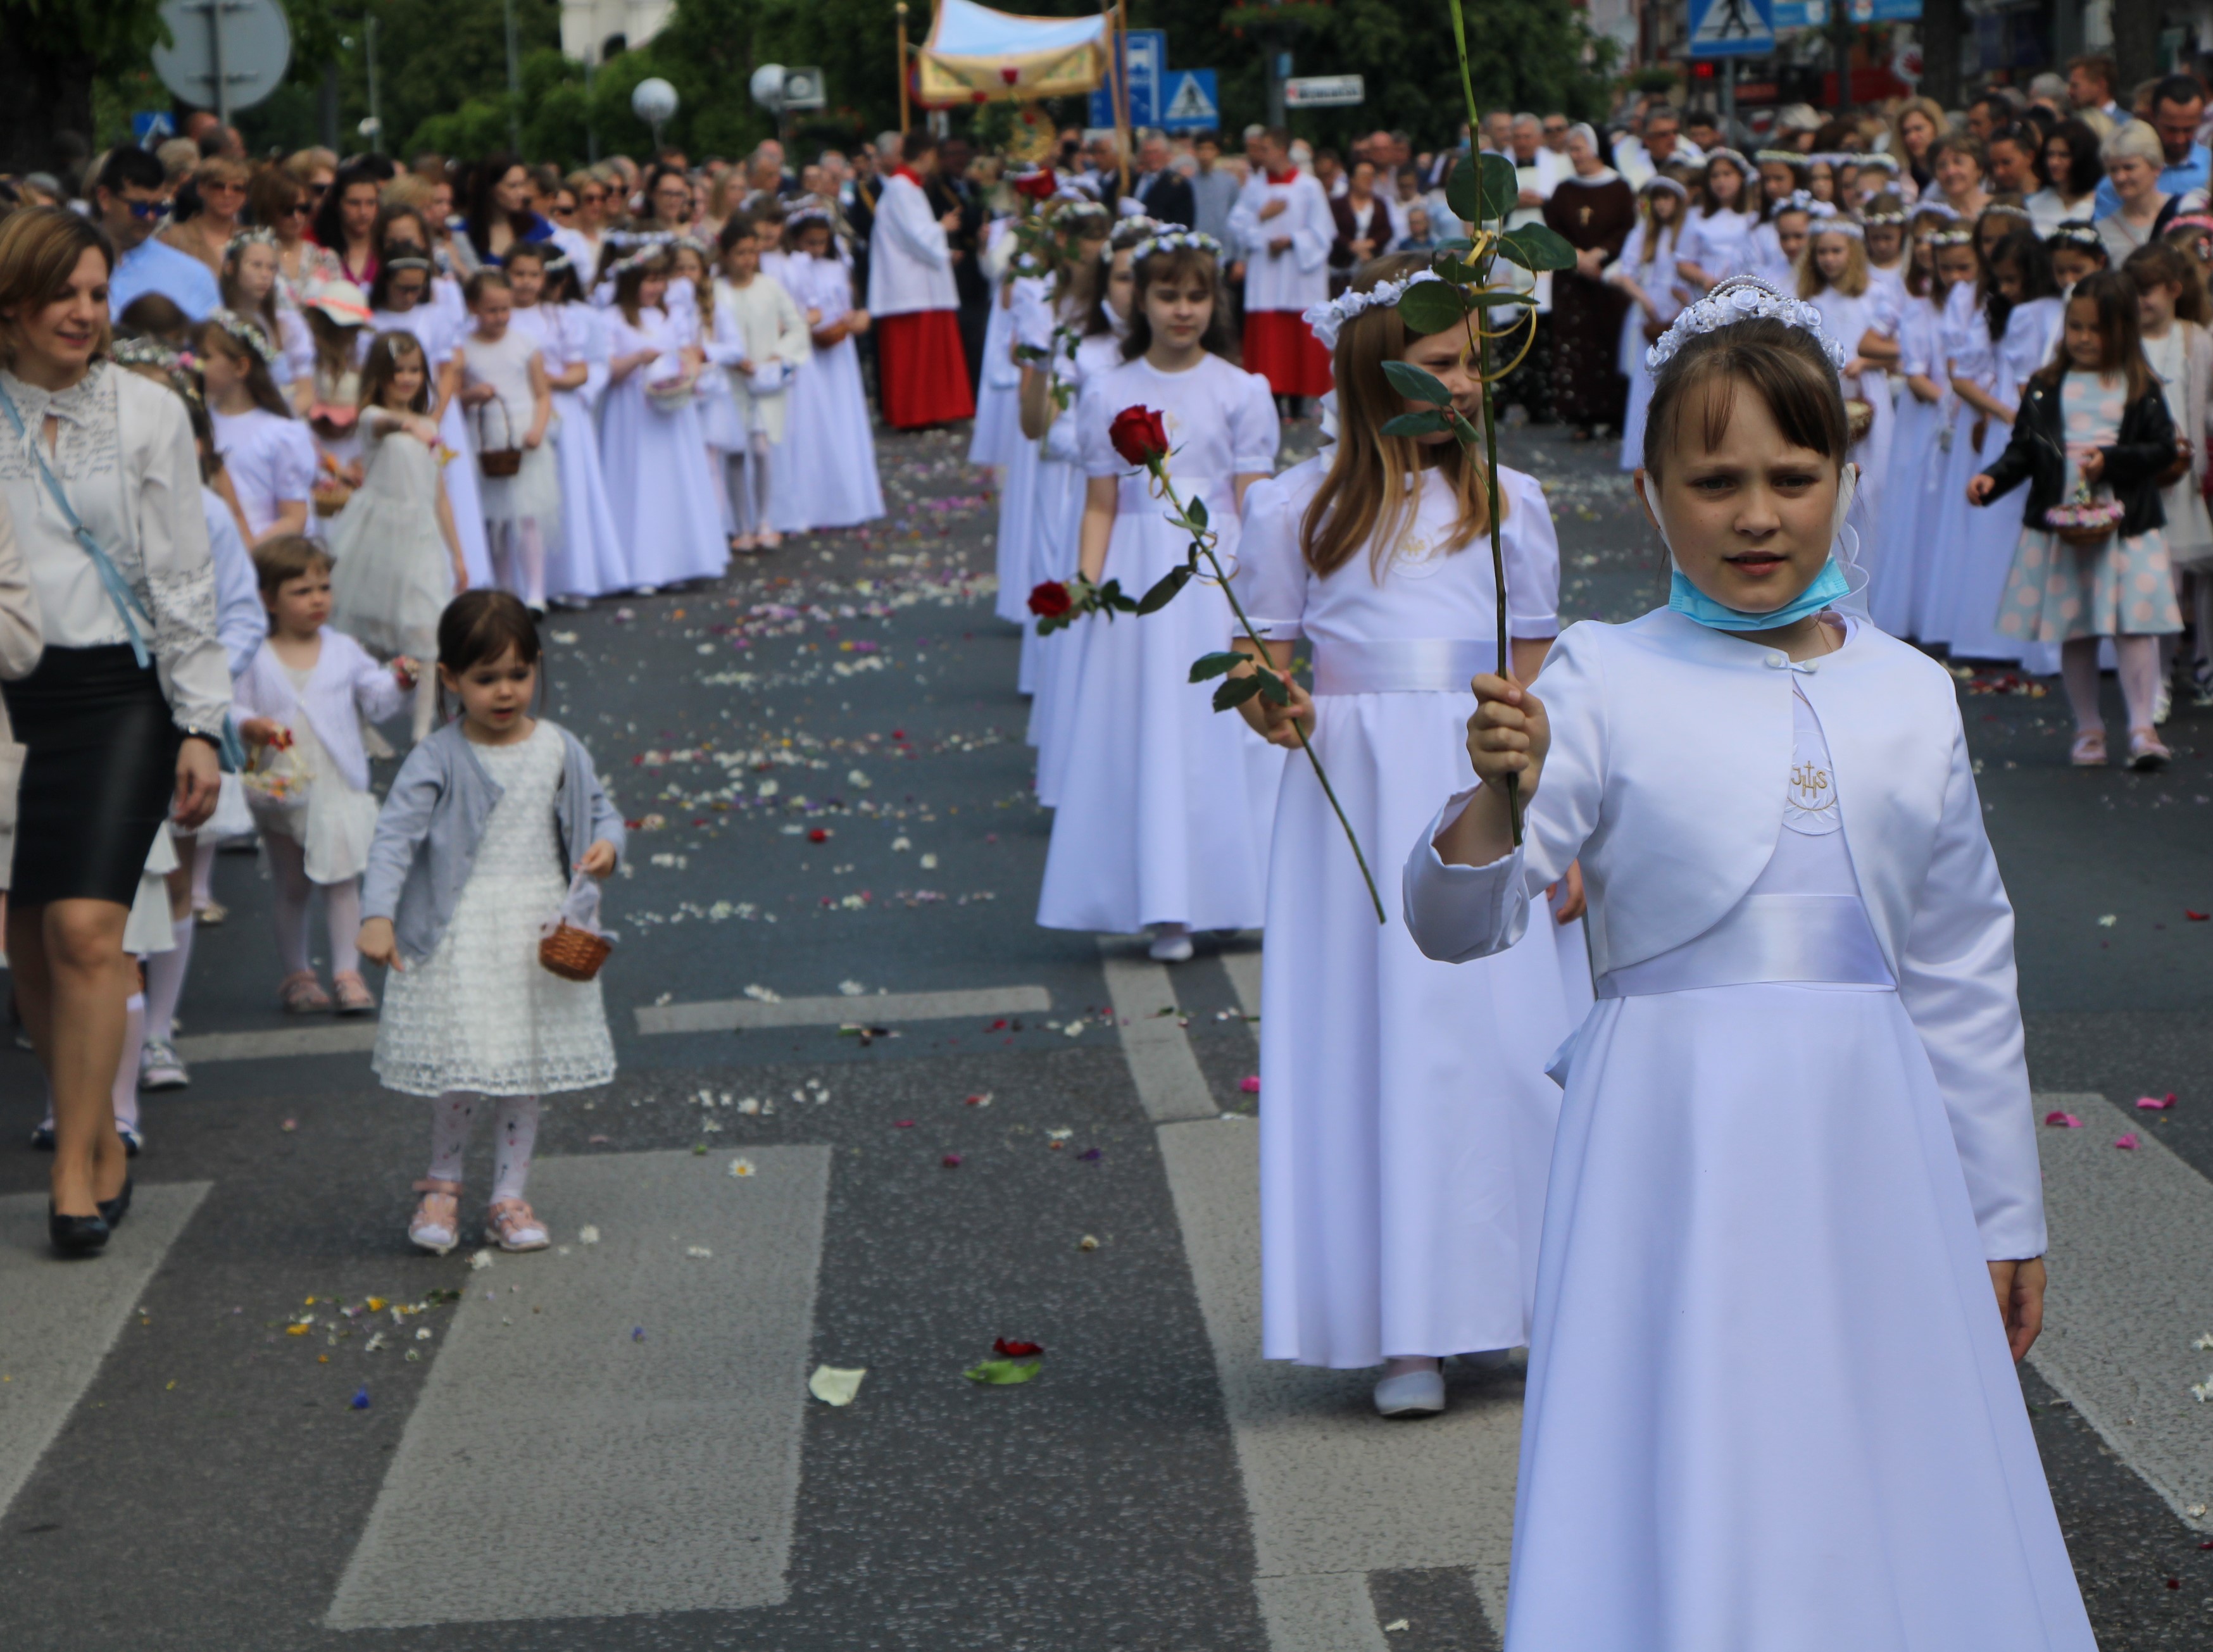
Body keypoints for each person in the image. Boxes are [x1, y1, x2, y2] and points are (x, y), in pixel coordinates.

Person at [1406, 275, 2095, 1652]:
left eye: (1792, 475)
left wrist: (1999, 1211)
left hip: (1870, 1139)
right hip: (1676, 1133)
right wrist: (1494, 796)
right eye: (1711, 480)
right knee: (1699, 1424)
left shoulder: (1907, 690)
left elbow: (1960, 962)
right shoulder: (1600, 677)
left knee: (1873, 1428)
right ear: (1652, 489)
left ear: (1846, 473)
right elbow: (1457, 919)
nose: (1756, 514)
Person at [1236, 256, 1586, 1415]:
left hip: (1476, 780)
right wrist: (1276, 707)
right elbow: (1262, 665)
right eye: (1441, 364)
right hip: (1360, 793)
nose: (1468, 383)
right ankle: (1407, 1328)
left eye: (1475, 361)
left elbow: (1539, 679)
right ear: (1374, 373)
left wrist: (1560, 818)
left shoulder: (1510, 504)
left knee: (1501, 1041)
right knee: (1382, 1044)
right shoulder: (1295, 509)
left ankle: (1522, 1294)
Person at [0, 206, 229, 1253]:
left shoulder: (147, 414)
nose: (87, 312)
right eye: (66, 294)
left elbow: (186, 577)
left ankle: (78, 1160)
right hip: (8, 705)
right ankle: (92, 1127)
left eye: (98, 293)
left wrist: (201, 724)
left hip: (121, 696)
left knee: (86, 929)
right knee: (30, 947)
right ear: (11, 307)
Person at [1033, 229, 1282, 959]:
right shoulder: (1108, 389)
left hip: (1219, 571)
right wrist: (1088, 583)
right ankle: (1163, 903)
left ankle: (1235, 888)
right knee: (1149, 731)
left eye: (1197, 296)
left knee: (1227, 730)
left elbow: (1256, 502)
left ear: (1215, 301)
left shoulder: (1242, 390)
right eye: (1168, 295)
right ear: (1139, 300)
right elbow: (1102, 503)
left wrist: (1264, 591)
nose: (1183, 311)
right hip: (1141, 584)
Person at [357, 590, 623, 1256]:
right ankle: (441, 1187)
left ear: (536, 668)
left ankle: (509, 1197)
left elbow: (603, 810)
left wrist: (609, 846)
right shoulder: (439, 756)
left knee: (520, 1071)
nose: (505, 692)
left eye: (518, 674)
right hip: (464, 932)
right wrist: (378, 914)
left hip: (536, 931)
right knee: (462, 1067)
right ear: (450, 679)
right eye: (485, 679)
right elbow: (395, 837)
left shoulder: (561, 749)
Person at [1973, 270, 2180, 768]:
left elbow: (2162, 449)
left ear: (2122, 330)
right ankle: (2089, 729)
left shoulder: (2140, 385)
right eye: (2076, 327)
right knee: (2077, 627)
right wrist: (1993, 480)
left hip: (2126, 525)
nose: (2084, 339)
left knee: (2136, 626)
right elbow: (2024, 449)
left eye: (2096, 329)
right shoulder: (2047, 386)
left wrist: (2112, 460)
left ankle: (2142, 728)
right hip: (2064, 524)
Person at [234, 535, 411, 1013]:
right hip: (281, 787)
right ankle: (297, 973)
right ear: (268, 599)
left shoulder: (344, 649)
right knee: (293, 886)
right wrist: (248, 724)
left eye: (324, 588)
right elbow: (231, 707)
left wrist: (398, 681)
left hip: (336, 784)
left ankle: (346, 972)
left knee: (341, 880)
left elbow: (375, 698)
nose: (317, 600)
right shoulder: (253, 654)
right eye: (301, 591)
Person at [328, 331, 467, 742]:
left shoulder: (429, 427)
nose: (407, 379)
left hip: (421, 537)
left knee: (427, 637)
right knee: (367, 636)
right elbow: (379, 421)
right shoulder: (374, 420)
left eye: (414, 371)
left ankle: (423, 732)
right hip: (378, 537)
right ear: (381, 376)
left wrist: (458, 556)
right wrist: (408, 423)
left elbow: (439, 495)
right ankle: (361, 721)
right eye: (397, 372)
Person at [1943, 229, 2067, 665]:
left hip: (2022, 424)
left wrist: (2017, 419)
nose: (2007, 290)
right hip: (2036, 422)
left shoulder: (2031, 314)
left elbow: (2026, 383)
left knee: (2010, 528)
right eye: (2002, 281)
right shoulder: (2050, 310)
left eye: (2014, 280)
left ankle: (2000, 634)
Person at [592, 240, 726, 591]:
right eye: (647, 280)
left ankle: (676, 561)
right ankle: (639, 568)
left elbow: (687, 352)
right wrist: (637, 359)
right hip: (631, 412)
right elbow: (606, 371)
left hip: (671, 409)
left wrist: (690, 372)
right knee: (638, 482)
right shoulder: (612, 319)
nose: (654, 288)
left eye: (658, 280)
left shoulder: (671, 315)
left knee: (672, 480)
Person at [503, 246, 624, 604]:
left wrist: (544, 380)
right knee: (525, 498)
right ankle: (526, 584)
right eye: (518, 274)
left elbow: (580, 370)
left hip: (562, 412)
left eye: (533, 275)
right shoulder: (499, 317)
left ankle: (570, 579)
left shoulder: (559, 318)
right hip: (517, 412)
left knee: (566, 492)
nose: (525, 283)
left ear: (544, 279)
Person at [2123, 242, 2213, 700]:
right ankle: (2154, 680)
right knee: (2160, 580)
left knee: (2199, 572)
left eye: (2147, 290)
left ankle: (2204, 664)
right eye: (2132, 291)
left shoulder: (2197, 340)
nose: (2141, 300)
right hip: (2145, 477)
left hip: (2189, 478)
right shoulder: (2124, 343)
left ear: (2174, 290)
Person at [1870, 208, 1965, 637]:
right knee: (1924, 510)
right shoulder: (1920, 310)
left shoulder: (1980, 308)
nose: (1954, 276)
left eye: (1962, 266)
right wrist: (1951, 403)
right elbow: (1916, 371)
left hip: (1967, 414)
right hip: (1931, 416)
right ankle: (1922, 611)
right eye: (1946, 268)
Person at [769, 210, 884, 536]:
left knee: (844, 418)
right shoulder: (792, 269)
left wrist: (857, 318)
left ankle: (850, 492)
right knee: (815, 424)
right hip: (810, 351)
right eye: (810, 243)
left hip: (840, 353)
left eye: (822, 242)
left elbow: (852, 300)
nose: (817, 249)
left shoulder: (839, 265)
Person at [707, 215, 810, 554]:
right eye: (740, 253)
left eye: (753, 252)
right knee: (736, 452)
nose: (748, 260)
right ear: (725, 255)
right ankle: (742, 524)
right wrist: (729, 357)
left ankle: (765, 517)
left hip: (763, 380)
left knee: (762, 449)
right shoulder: (716, 291)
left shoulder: (769, 286)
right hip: (732, 380)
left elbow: (797, 326)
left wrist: (776, 357)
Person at [456, 269, 558, 612]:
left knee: (528, 516)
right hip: (486, 438)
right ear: (473, 308)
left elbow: (542, 394)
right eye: (491, 310)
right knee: (495, 519)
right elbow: (455, 397)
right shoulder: (464, 348)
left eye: (505, 309)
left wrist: (539, 429)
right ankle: (505, 590)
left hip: (523, 436)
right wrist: (473, 395)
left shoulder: (525, 344)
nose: (500, 317)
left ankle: (536, 592)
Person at [866, 132, 975, 430]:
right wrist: (943, 228)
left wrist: (943, 250)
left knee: (923, 355)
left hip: (918, 282)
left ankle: (929, 412)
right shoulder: (902, 189)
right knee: (914, 356)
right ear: (926, 155)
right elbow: (917, 235)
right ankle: (915, 414)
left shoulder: (906, 187)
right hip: (910, 288)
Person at [1800, 219, 1899, 529]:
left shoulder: (1876, 295)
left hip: (1869, 388)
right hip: (1831, 388)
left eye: (1836, 251)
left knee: (1877, 468)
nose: (1828, 259)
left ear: (1853, 252)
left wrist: (1867, 363)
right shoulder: (1814, 299)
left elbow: (1900, 348)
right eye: (1822, 252)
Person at [1228, 127, 1336, 410]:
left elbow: (1323, 233)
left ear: (1280, 150)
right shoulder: (1255, 186)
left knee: (1299, 341)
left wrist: (1292, 241)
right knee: (1270, 345)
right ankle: (1272, 403)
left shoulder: (1308, 186)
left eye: (1263, 149)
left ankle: (1301, 404)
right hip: (1266, 274)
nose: (1258, 155)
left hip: (1299, 276)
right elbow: (1236, 226)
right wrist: (1261, 219)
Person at [1543, 123, 1635, 441]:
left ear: (1595, 148)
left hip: (1609, 277)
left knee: (1609, 340)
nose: (1574, 155)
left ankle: (1613, 416)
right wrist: (1576, 256)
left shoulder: (1620, 187)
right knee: (1576, 344)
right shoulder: (1564, 189)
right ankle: (1580, 414)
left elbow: (1627, 228)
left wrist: (1599, 254)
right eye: (1572, 149)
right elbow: (1553, 227)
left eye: (1579, 148)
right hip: (1572, 278)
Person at [199, 308, 314, 547]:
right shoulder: (198, 422)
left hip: (260, 555)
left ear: (241, 367)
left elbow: (294, 517)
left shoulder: (280, 433)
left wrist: (250, 552)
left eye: (206, 357)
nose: (196, 364)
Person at [1611, 177, 1691, 471]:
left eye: (1667, 197)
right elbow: (1624, 273)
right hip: (1649, 309)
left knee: (1679, 378)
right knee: (1645, 380)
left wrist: (1686, 301)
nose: (1661, 204)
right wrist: (1644, 300)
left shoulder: (1687, 232)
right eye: (1657, 198)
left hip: (1681, 309)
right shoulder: (1643, 233)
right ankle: (1640, 452)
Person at [94, 146, 220, 323]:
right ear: (105, 198)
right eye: (139, 207)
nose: (150, 217)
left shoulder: (192, 275)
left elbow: (213, 344)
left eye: (160, 208)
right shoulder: (70, 260)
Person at [2097, 120, 2212, 266]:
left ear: (2156, 167)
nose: (2120, 177)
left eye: (2129, 167)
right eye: (2113, 170)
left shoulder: (2185, 209)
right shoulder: (2103, 229)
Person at [1673, 147, 1755, 296]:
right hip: (1710, 294)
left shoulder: (1754, 216)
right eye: (1715, 176)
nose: (1721, 181)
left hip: (1749, 294)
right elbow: (1683, 263)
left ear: (1741, 177)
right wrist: (1707, 281)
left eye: (1727, 174)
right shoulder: (1696, 216)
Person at [462, 153, 558, 270]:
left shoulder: (536, 224)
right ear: (490, 188)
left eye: (523, 185)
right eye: (512, 186)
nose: (521, 193)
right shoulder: (465, 231)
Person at [1329, 159, 1403, 288]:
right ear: (1352, 179)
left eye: (1371, 175)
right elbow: (1331, 230)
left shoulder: (1381, 204)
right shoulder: (1337, 205)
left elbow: (1387, 231)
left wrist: (1371, 243)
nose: (1369, 179)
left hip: (1371, 267)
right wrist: (1351, 245)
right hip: (1342, 270)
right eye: (1364, 175)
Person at [310, 162, 384, 291]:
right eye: (354, 203)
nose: (363, 212)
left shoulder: (386, 247)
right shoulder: (317, 247)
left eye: (371, 203)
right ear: (337, 204)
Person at [2031, 120, 2109, 235]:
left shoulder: (2103, 205)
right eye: (2050, 154)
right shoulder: (2033, 203)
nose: (2054, 163)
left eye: (2064, 155)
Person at [1131, 129, 1196, 231]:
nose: (1152, 157)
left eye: (1156, 152)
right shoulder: (1133, 179)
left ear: (1166, 154)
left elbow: (1182, 223)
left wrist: (1145, 212)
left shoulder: (1178, 185)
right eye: (1147, 153)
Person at [1188, 131, 1241, 248]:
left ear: (1217, 151)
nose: (1205, 154)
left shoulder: (1229, 182)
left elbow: (1238, 217)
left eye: (1210, 149)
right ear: (1195, 152)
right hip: (1196, 247)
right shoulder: (1188, 184)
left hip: (1225, 247)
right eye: (1201, 149)